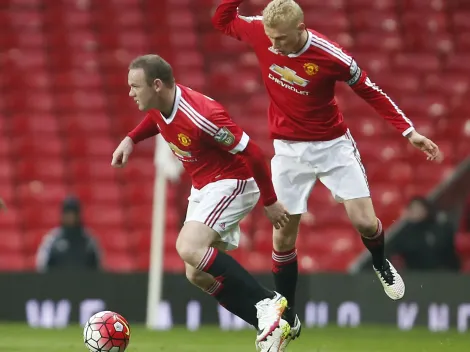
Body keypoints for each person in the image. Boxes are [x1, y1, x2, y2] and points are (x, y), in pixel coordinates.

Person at [212, 0, 441, 347]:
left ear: (301, 29)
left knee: (365, 222)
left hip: (333, 146)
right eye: (271, 37)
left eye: (282, 38)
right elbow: (222, 20)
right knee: (283, 237)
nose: (274, 44)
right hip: (288, 150)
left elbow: (371, 91)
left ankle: (380, 262)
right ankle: (287, 316)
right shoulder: (262, 31)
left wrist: (409, 132)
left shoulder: (331, 55)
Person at [111, 54, 291, 350]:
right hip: (204, 186)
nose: (130, 92)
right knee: (196, 273)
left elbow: (254, 153)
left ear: (156, 85)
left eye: (135, 86)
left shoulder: (202, 115)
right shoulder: (160, 103)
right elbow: (156, 119)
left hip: (232, 181)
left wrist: (270, 202)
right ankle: (275, 326)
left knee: (188, 247)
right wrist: (131, 138)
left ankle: (268, 302)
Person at [391, 197, 460, 271]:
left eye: (419, 208)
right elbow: (394, 249)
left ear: (426, 210)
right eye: (413, 208)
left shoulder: (440, 228)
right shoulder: (404, 231)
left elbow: (447, 251)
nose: (416, 211)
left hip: (441, 273)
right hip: (414, 274)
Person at [36, 196, 101, 272]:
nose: (70, 217)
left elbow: (99, 268)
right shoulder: (52, 239)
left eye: (73, 214)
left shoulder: (89, 241)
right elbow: (42, 267)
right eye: (67, 213)